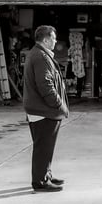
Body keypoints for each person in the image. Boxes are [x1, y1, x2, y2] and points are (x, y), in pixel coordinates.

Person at [23, 25, 69, 192]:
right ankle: (40, 182)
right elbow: (46, 86)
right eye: (54, 38)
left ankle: (45, 175)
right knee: (43, 147)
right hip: (43, 111)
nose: (56, 41)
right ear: (46, 39)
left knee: (45, 146)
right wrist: (59, 104)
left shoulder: (39, 54)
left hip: (41, 110)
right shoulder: (41, 57)